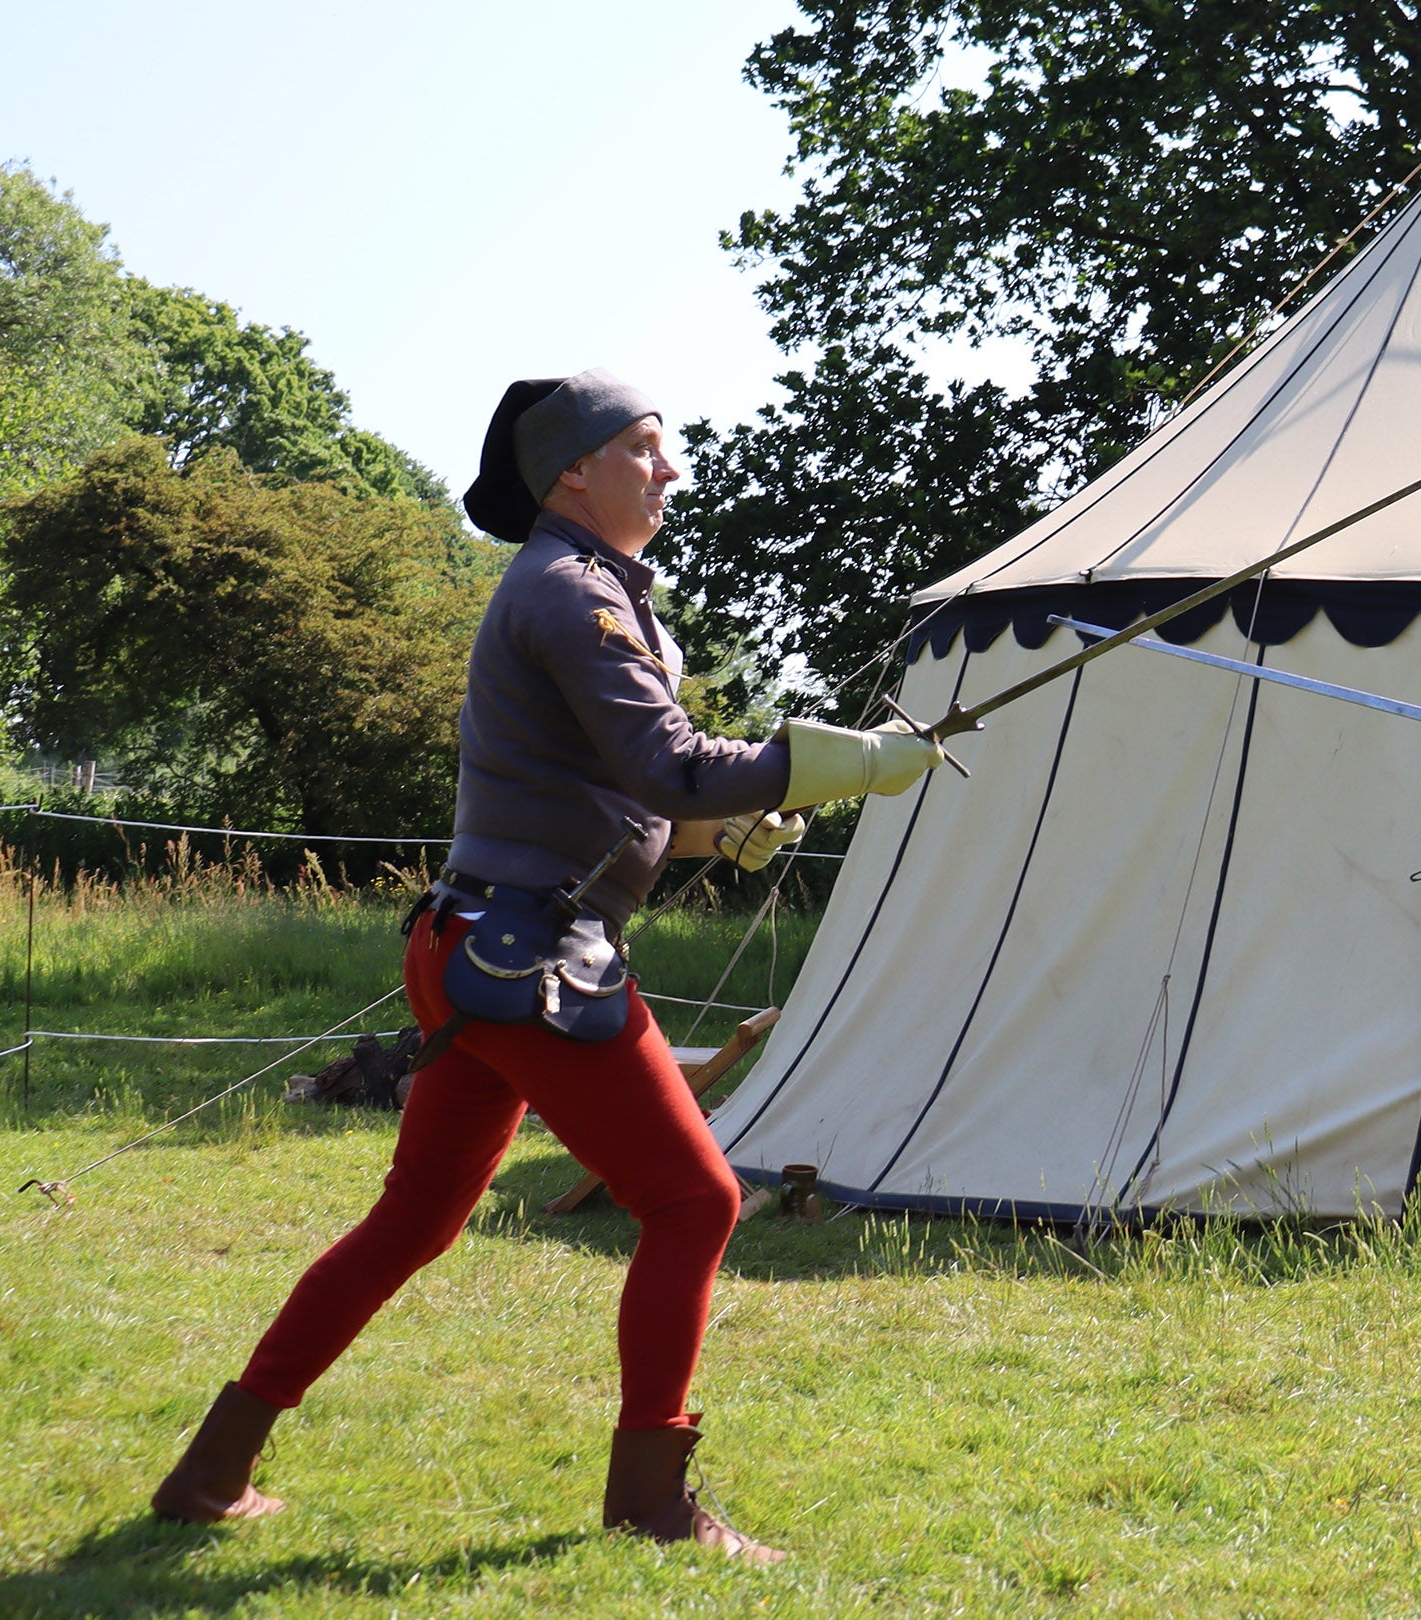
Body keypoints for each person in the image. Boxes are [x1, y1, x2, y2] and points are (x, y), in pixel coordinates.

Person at [148, 371, 942, 1561]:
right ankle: (652, 1506)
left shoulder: (590, 592)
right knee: (697, 1200)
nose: (670, 470)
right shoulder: (573, 595)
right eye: (646, 448)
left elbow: (638, 799)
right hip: (528, 959)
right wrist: (855, 762)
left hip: (487, 943)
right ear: (573, 470)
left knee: (415, 1220)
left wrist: (725, 831)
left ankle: (212, 1472)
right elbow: (674, 765)